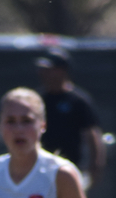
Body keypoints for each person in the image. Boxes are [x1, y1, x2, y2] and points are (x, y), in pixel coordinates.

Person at [35, 47, 105, 190]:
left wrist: (95, 167)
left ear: (62, 70)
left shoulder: (78, 101)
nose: (44, 73)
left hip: (71, 169)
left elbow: (92, 135)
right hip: (40, 172)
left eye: (50, 69)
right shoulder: (38, 99)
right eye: (43, 69)